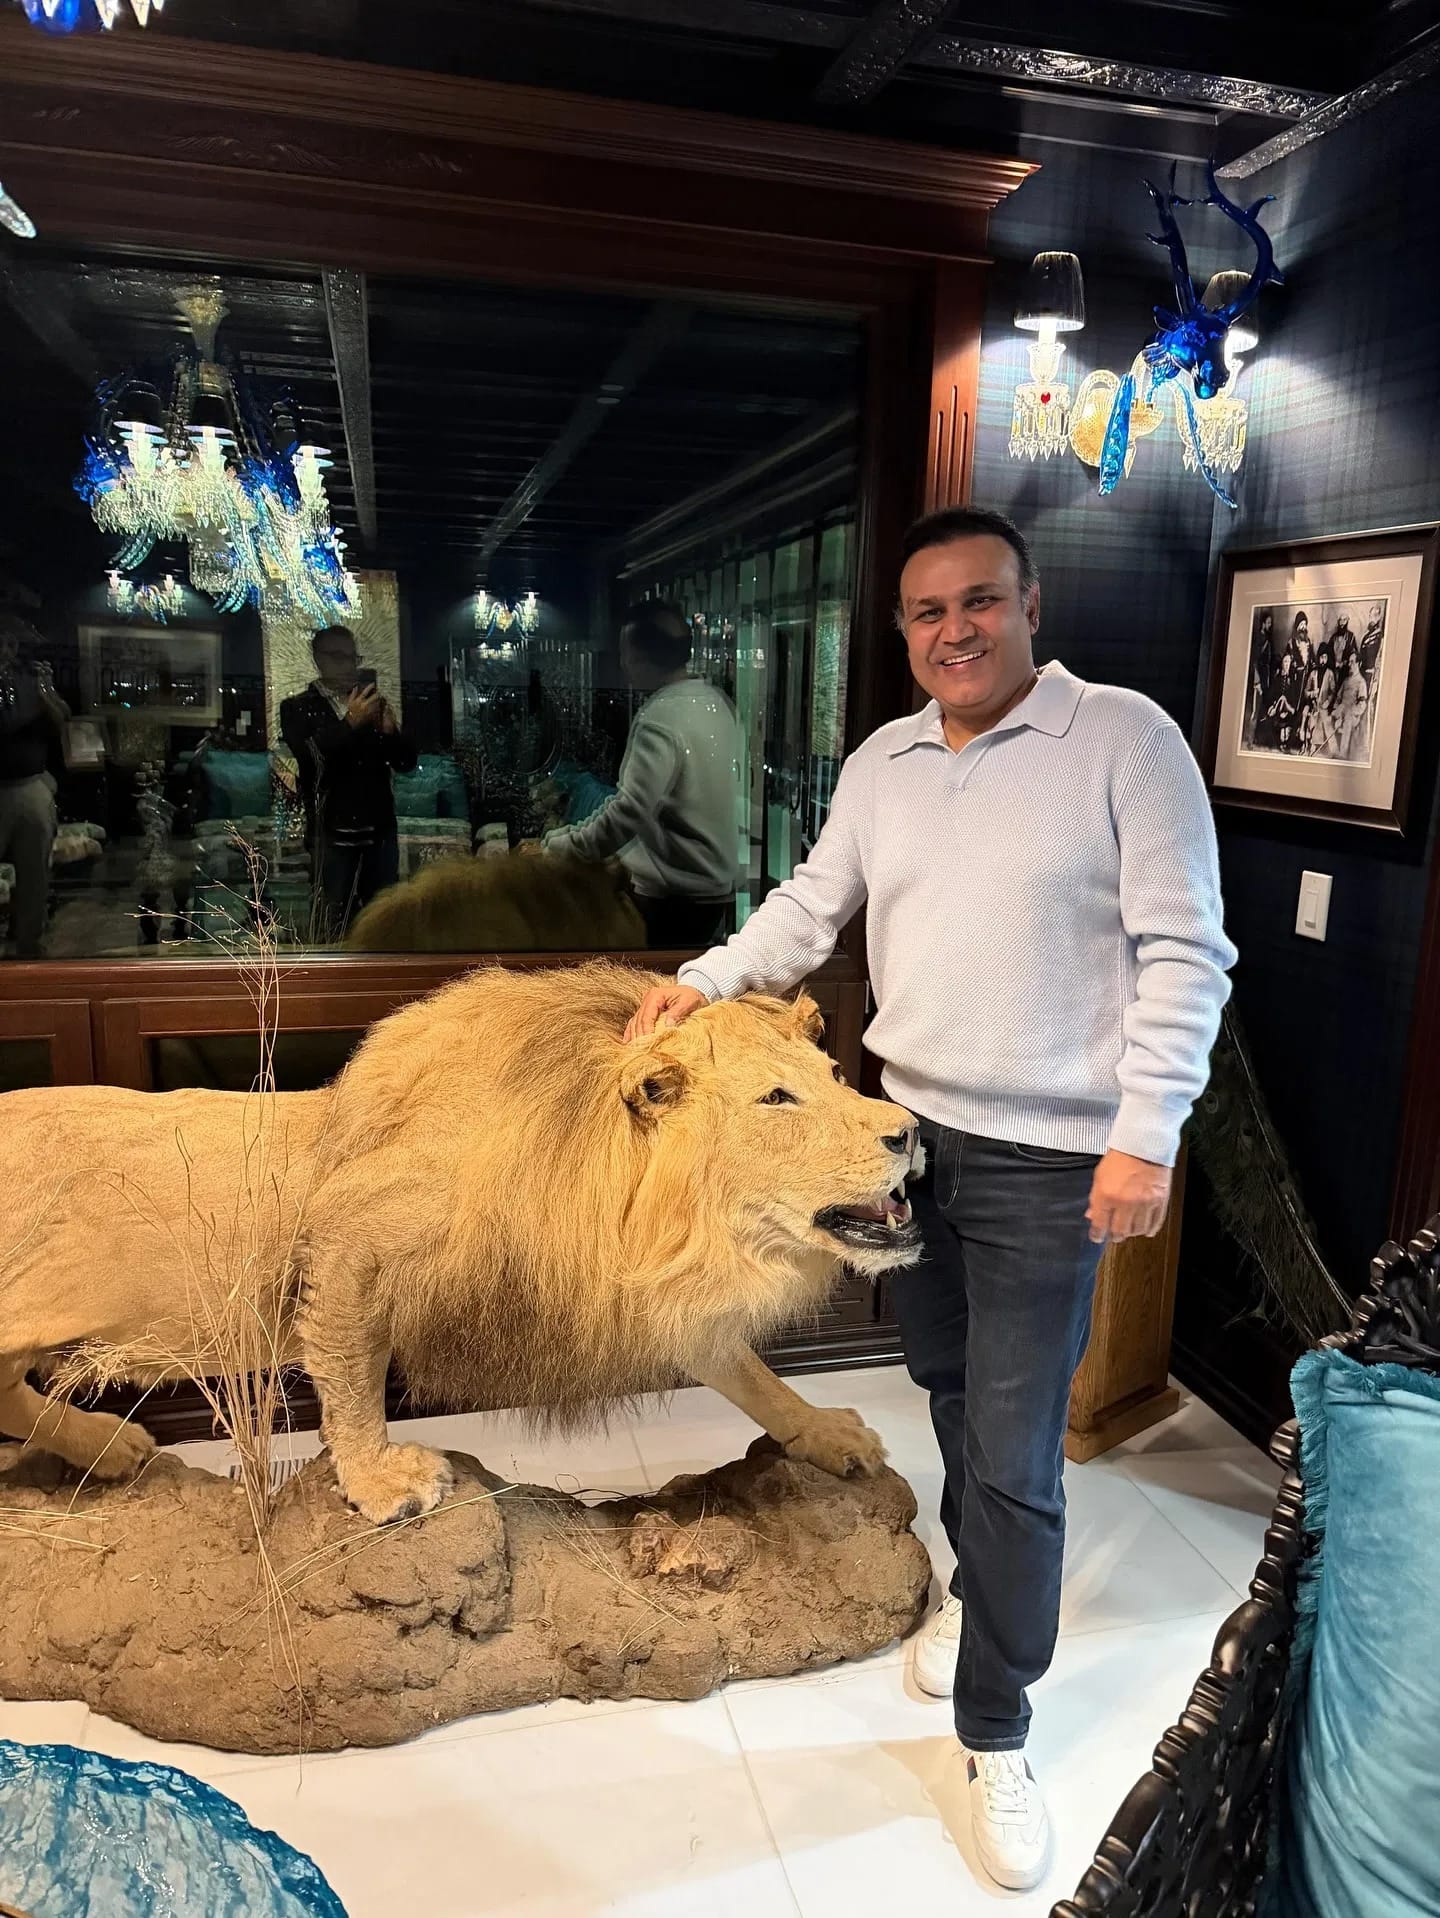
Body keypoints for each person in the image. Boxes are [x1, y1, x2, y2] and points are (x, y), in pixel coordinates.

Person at [625, 506, 1236, 1892]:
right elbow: (810, 904)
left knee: (1015, 1448)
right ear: (903, 631)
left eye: (979, 601)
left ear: (1030, 604)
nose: (954, 630)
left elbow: (1186, 952)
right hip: (907, 1147)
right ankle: (977, 1588)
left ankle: (996, 1728)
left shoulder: (1125, 741)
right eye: (927, 611)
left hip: (1049, 1159)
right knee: (950, 1387)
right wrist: (706, 981)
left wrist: (1146, 1136)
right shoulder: (883, 764)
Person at [543, 600, 742, 950]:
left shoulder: (661, 717)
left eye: (627, 654)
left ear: (644, 657)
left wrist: (567, 847)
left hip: (670, 900)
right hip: (714, 894)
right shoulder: (717, 703)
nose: (623, 665)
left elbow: (629, 812)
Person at [280, 626, 417, 941]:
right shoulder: (297, 707)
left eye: (352, 658)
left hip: (379, 833)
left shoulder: (372, 703)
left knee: (384, 924)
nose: (347, 665)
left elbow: (406, 763)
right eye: (338, 657)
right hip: (331, 833)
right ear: (318, 659)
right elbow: (311, 761)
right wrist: (349, 724)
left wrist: (390, 733)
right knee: (331, 925)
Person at [0, 613, 70, 959]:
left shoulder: (30, 679)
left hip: (30, 785)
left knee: (35, 873)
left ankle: (29, 947)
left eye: (11, 643)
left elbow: (62, 720)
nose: (7, 649)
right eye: (3, 642)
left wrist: (47, 692)